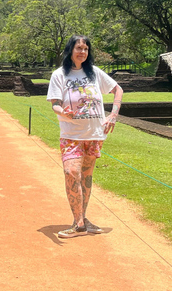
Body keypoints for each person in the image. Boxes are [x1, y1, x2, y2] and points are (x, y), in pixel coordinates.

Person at [47, 35, 124, 239]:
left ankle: (81, 220)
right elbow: (54, 103)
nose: (82, 52)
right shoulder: (59, 75)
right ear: (70, 49)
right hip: (72, 134)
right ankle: (79, 221)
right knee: (72, 172)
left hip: (94, 133)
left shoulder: (95, 73)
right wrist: (62, 111)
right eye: (79, 48)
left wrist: (113, 116)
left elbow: (118, 90)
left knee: (86, 177)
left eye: (86, 49)